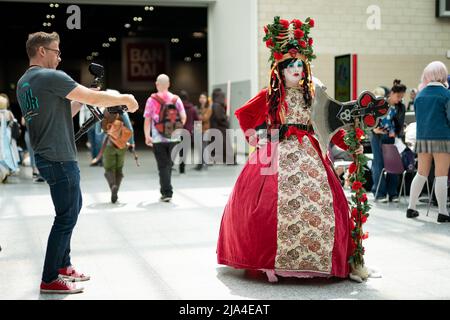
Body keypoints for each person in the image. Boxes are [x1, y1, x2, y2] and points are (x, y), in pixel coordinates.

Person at [216, 17, 364, 282]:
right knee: (267, 205)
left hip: (309, 151)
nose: (296, 69)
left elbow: (329, 124)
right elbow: (245, 114)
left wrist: (352, 144)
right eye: (291, 65)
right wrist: (254, 139)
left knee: (321, 201)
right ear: (280, 70)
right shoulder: (273, 95)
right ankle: (270, 262)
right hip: (278, 149)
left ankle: (315, 260)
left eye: (300, 65)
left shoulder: (313, 93)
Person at [16, 31, 139, 294]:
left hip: (47, 156)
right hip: (59, 156)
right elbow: (94, 99)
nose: (59, 58)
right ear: (41, 51)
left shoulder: (25, 82)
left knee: (72, 208)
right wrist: (125, 99)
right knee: (66, 216)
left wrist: (83, 98)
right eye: (56, 52)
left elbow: (62, 111)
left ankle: (63, 266)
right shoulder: (50, 76)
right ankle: (50, 277)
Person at [406, 61, 450, 222]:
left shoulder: (420, 95)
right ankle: (443, 212)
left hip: (423, 138)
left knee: (421, 173)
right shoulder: (446, 95)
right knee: (441, 176)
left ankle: (411, 207)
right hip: (442, 139)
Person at [143, 74, 186, 202]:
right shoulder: (176, 99)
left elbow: (147, 120)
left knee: (163, 166)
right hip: (174, 138)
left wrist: (147, 135)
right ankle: (166, 190)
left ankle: (167, 192)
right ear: (168, 84)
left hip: (158, 139)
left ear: (157, 84)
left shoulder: (151, 100)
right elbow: (183, 117)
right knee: (169, 164)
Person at [370, 80, 407, 203]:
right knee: (378, 163)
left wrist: (396, 132)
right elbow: (370, 118)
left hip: (391, 138)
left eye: (402, 97)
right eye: (398, 96)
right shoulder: (380, 103)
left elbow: (399, 124)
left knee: (393, 163)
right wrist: (374, 130)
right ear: (391, 93)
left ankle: (393, 193)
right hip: (377, 136)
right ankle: (379, 193)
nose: (399, 99)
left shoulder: (400, 107)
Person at [99, 90, 135, 204]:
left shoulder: (103, 110)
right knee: (119, 169)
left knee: (109, 169)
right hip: (121, 145)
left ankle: (113, 186)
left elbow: (98, 131)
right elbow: (130, 128)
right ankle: (116, 190)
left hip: (108, 145)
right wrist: (132, 143)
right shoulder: (122, 112)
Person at [0, 93, 20, 182]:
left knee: (4, 153)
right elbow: (14, 122)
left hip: (4, 136)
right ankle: (6, 171)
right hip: (7, 136)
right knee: (7, 152)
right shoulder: (8, 113)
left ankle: (4, 172)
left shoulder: (6, 113)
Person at [209, 88, 233, 164]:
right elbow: (220, 117)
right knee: (225, 145)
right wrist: (226, 118)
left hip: (218, 128)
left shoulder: (216, 105)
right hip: (220, 129)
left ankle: (226, 159)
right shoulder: (217, 105)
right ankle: (229, 159)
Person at [178, 90, 199, 174]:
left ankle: (173, 165)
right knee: (185, 151)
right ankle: (182, 168)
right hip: (188, 133)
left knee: (177, 150)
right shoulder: (192, 108)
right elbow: (197, 120)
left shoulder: (177, 108)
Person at [195, 92, 212, 170]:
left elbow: (204, 118)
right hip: (198, 130)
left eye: (204, 98)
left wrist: (198, 116)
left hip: (205, 130)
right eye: (201, 97)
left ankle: (204, 163)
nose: (202, 99)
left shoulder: (208, 109)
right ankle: (201, 162)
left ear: (206, 99)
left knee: (204, 147)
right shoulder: (198, 108)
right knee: (200, 147)